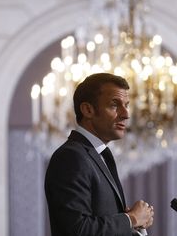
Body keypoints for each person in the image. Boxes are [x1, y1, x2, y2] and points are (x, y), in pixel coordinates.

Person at [44, 73, 154, 236]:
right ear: (88, 110)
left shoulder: (98, 155)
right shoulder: (71, 158)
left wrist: (135, 226)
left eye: (127, 105)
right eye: (114, 105)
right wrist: (131, 219)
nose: (126, 114)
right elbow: (77, 230)